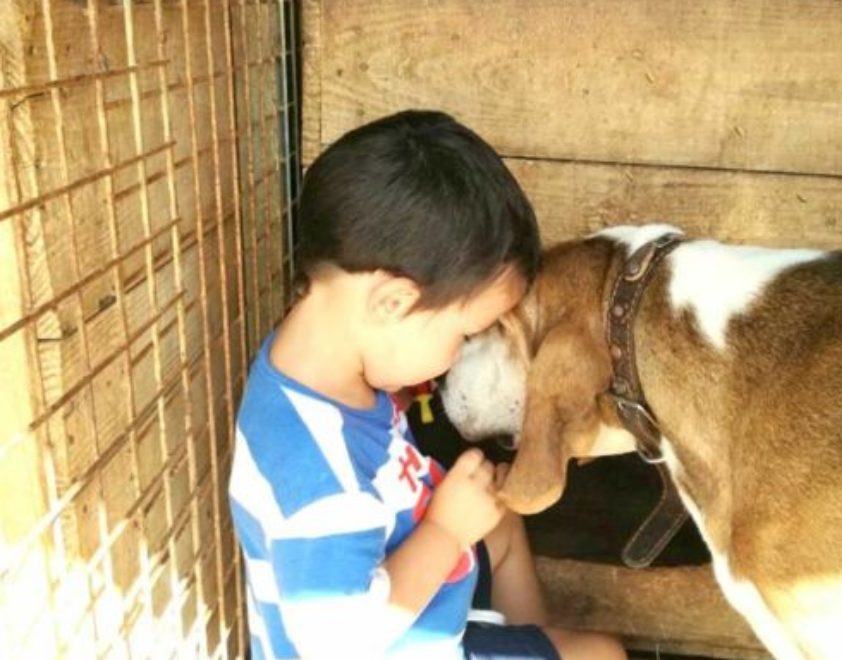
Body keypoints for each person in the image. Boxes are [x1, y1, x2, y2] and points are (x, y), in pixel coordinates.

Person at [228, 110, 627, 659]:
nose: (455, 357)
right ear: (393, 303)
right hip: (382, 641)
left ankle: (528, 643)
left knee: (502, 520)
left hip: (415, 596)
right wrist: (445, 531)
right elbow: (338, 642)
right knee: (601, 654)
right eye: (463, 335)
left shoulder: (319, 367)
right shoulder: (316, 473)